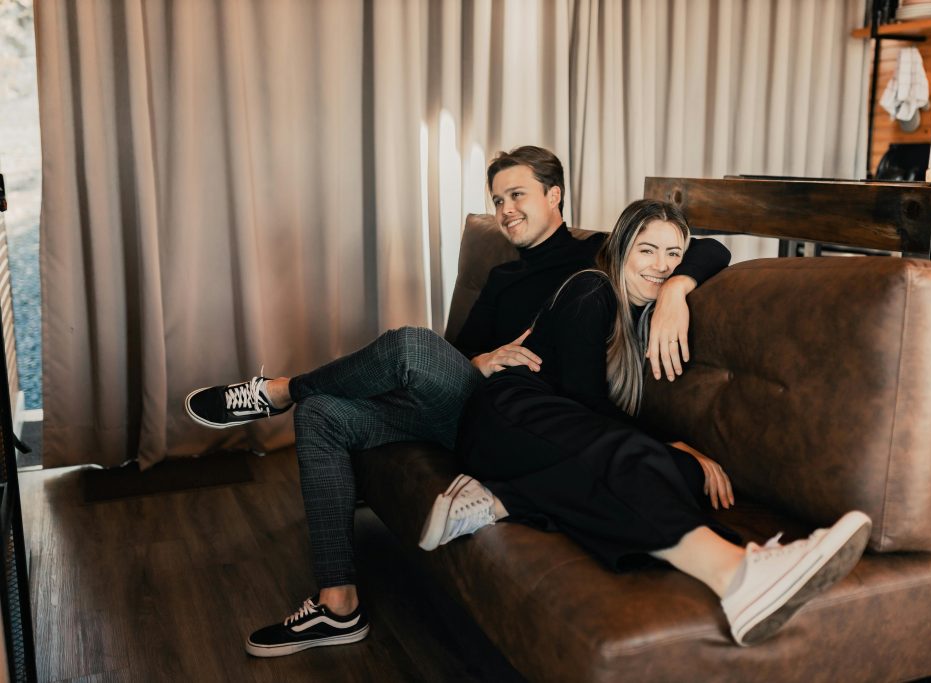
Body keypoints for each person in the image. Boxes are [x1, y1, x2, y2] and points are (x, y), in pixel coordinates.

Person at [184, 147, 732, 657]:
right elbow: (458, 353)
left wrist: (678, 288)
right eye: (497, 200)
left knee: (407, 346)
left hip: (520, 414)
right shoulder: (501, 277)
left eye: (517, 194)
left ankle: (278, 390)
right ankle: (337, 604)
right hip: (470, 394)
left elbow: (706, 246)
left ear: (554, 196)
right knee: (327, 412)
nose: (506, 210)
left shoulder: (598, 255)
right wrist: (482, 360)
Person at [418, 198, 871, 647]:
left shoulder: (646, 305)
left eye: (672, 253)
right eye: (647, 250)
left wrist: (677, 289)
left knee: (690, 474)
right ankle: (741, 572)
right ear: (621, 250)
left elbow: (714, 249)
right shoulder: (591, 288)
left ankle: (502, 499)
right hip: (509, 416)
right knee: (636, 456)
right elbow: (584, 403)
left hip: (548, 443)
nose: (661, 265)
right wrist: (674, 442)